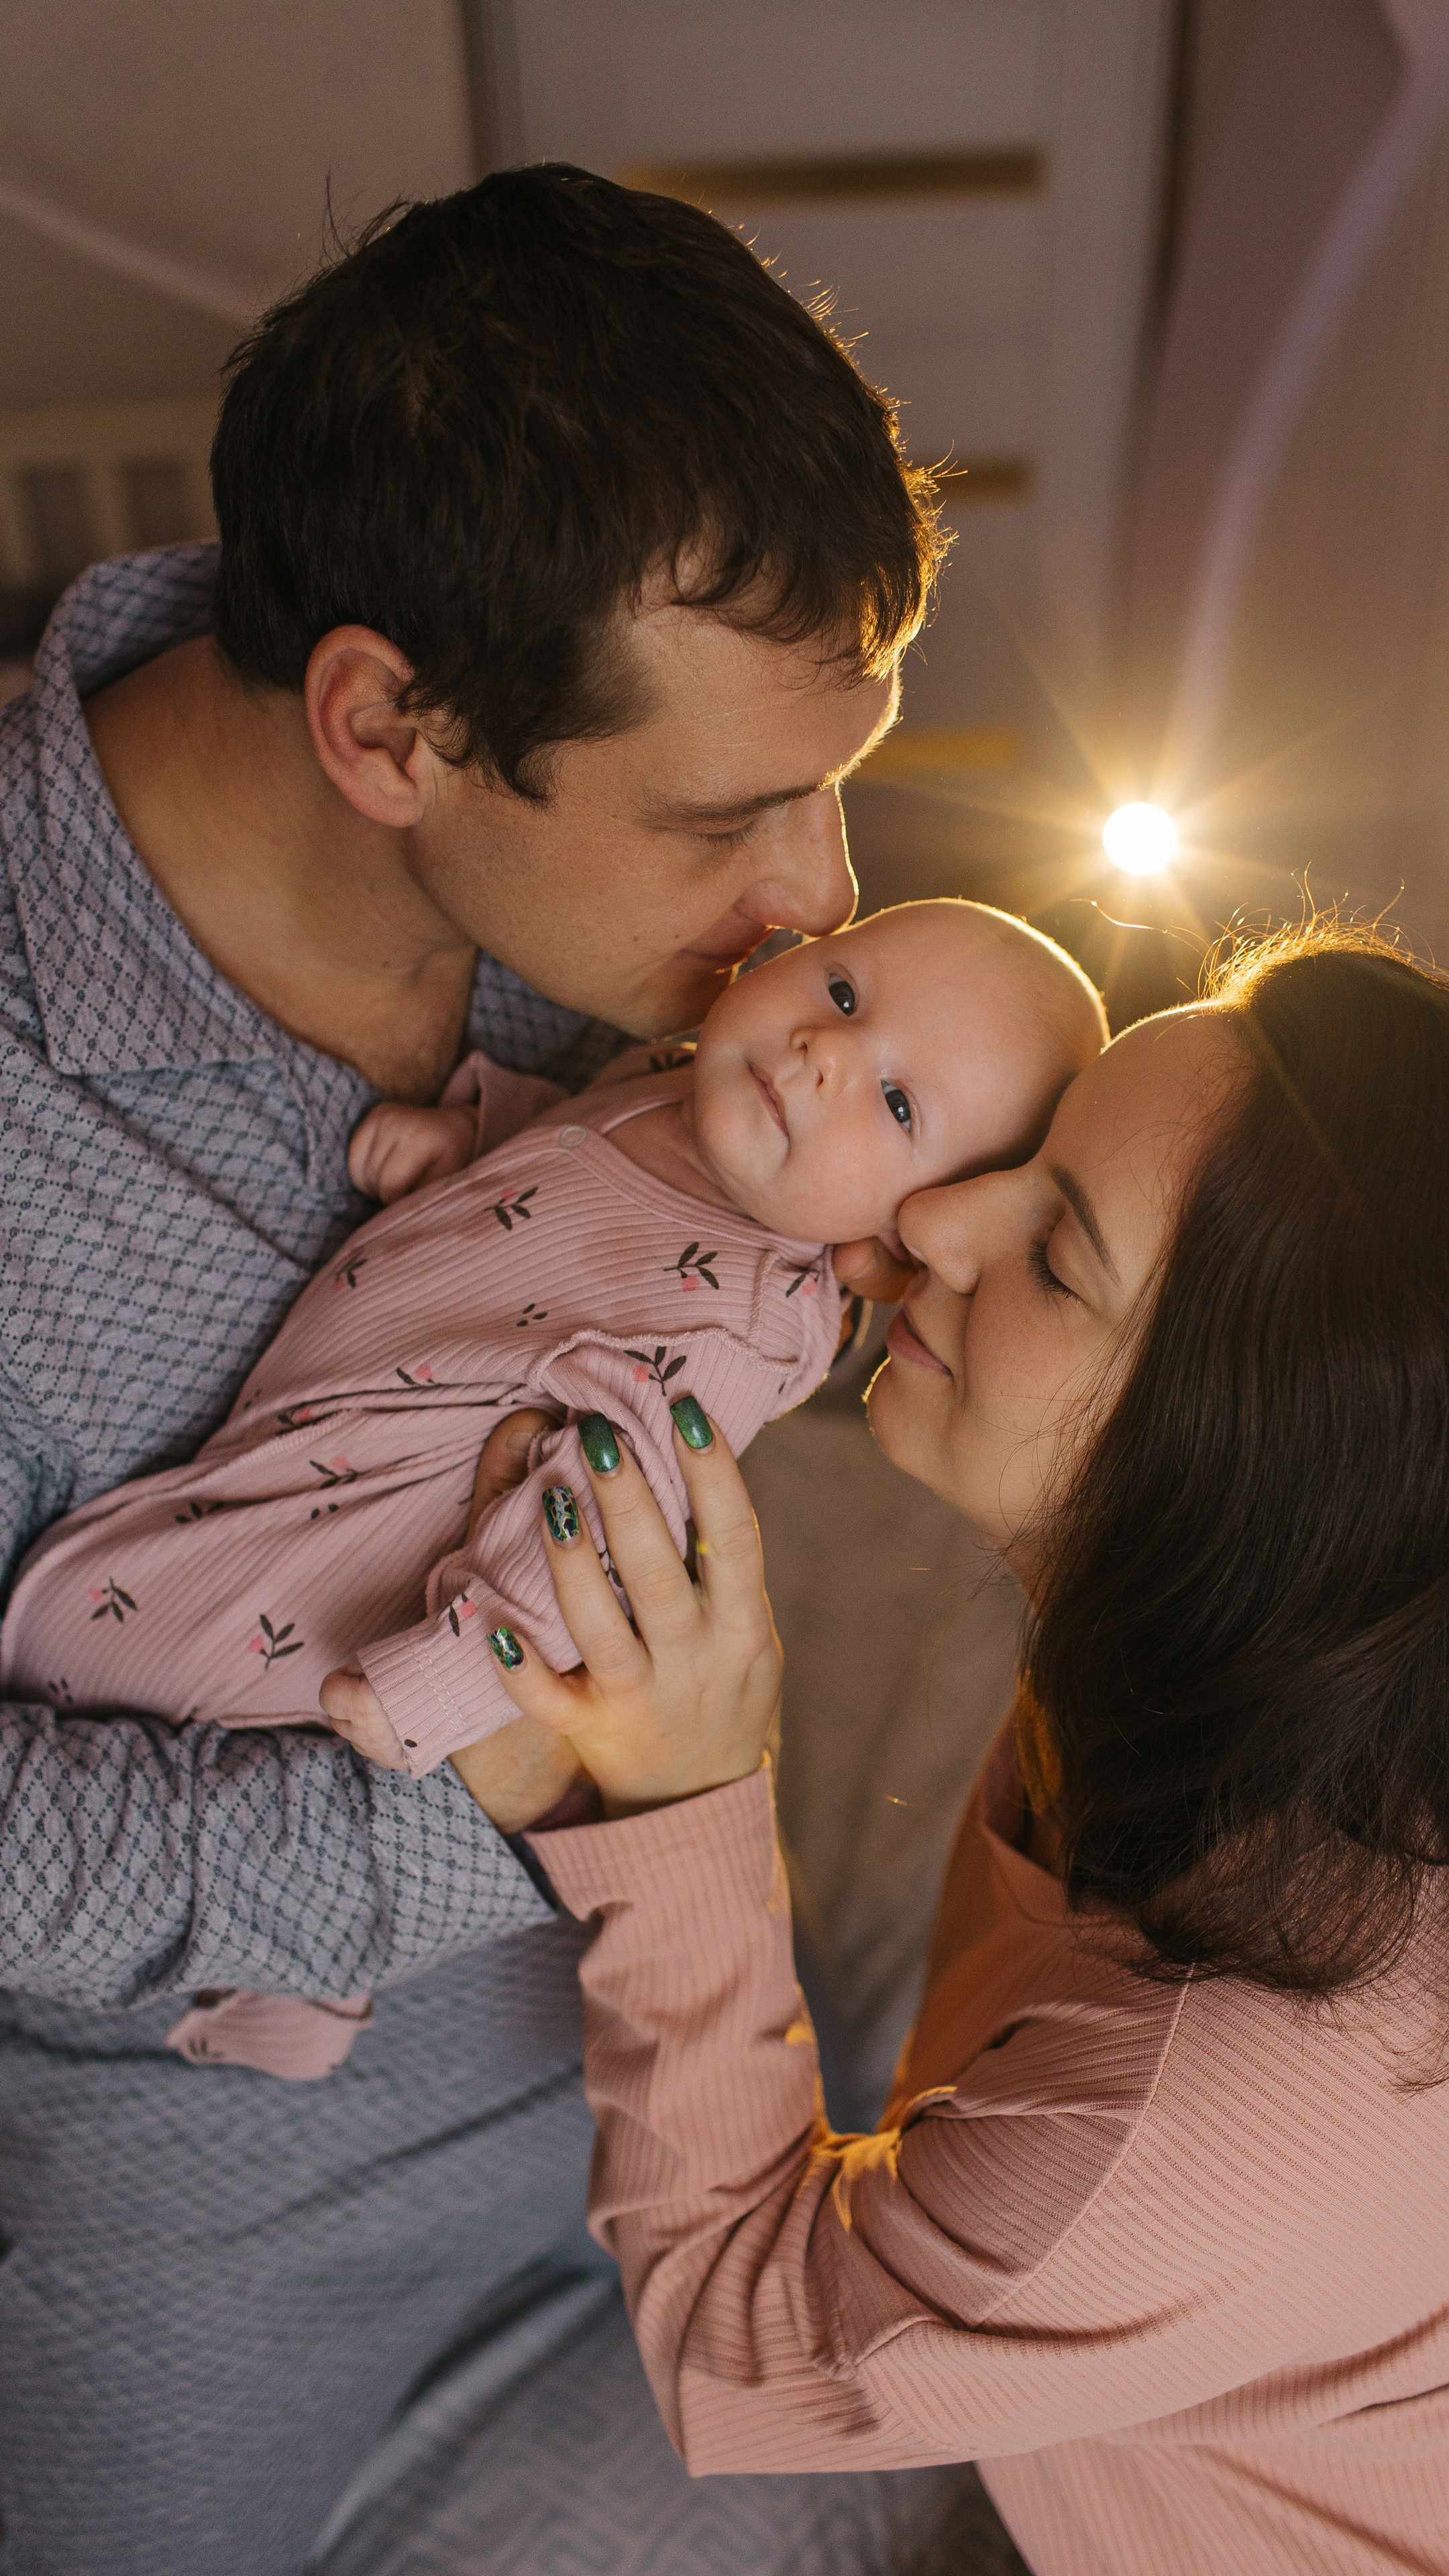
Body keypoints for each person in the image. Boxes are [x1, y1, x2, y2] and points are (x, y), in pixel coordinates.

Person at [0, 164, 943, 2575]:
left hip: (679, 2071)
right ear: (388, 724)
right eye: (732, 817)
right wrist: (521, 1807)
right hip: (220, 2266)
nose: (816, 898)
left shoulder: (630, 954)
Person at [476, 926, 1449, 2575]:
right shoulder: (1385, 1673)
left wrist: (688, 1799)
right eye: (1038, 1154)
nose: (928, 1219)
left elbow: (737, 2354)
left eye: (1057, 1259)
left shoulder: (1213, 2108)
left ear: (1249, 1483)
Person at [2, 902, 1101, 2080]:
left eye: (897, 1104)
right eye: (842, 992)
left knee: (137, 1640)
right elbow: (573, 1158)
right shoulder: (671, 1081)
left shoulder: (747, 1323)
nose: (824, 1052)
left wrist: (447, 1678)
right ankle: (299, 1976)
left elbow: (595, 1506)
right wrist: (472, 1133)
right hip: (346, 1382)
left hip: (388, 1500)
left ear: (911, 1233)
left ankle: (300, 1993)